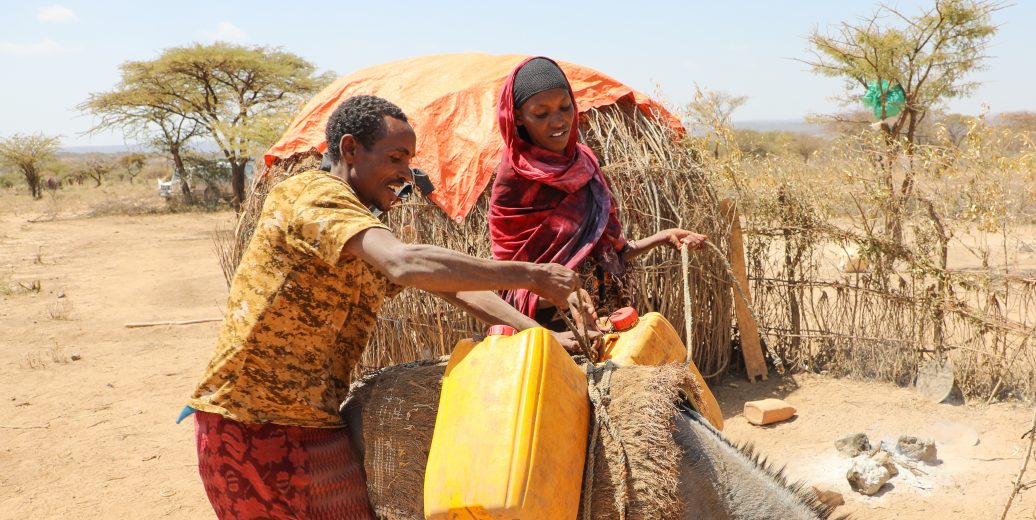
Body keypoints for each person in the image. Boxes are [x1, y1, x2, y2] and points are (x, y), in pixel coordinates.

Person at [185, 95, 579, 519]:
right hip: (249, 423)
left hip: (317, 425)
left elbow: (456, 289)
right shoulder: (312, 195)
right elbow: (405, 262)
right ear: (350, 149)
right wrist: (530, 275)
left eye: (409, 160)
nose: (405, 173)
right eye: (395, 157)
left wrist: (540, 335)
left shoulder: (362, 228)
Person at [488, 57, 706, 330]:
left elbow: (610, 253)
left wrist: (664, 236)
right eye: (541, 113)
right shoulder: (514, 182)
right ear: (517, 116)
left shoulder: (584, 163)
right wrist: (566, 297)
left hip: (609, 321)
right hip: (549, 335)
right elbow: (511, 289)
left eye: (565, 107)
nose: (558, 121)